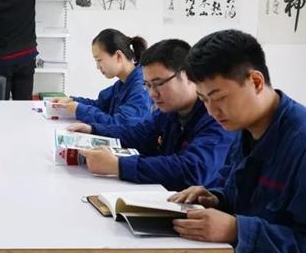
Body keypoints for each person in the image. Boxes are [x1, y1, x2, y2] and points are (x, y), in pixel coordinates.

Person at [169, 29, 306, 253]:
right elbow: (250, 200)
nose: (212, 111)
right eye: (203, 100)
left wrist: (238, 231)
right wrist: (217, 199)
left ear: (255, 82)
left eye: (218, 97)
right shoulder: (246, 129)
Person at [69, 39, 237, 191]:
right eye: (147, 86)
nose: (152, 94)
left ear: (188, 75)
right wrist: (93, 130)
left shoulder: (216, 116)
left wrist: (118, 166)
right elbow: (139, 134)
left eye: (158, 84)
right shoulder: (170, 111)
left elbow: (192, 170)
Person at [53, 28, 151, 128]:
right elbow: (101, 105)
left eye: (99, 60)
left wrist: (79, 110)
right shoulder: (122, 84)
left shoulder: (141, 88)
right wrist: (72, 101)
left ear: (118, 56)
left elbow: (121, 125)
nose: (98, 67)